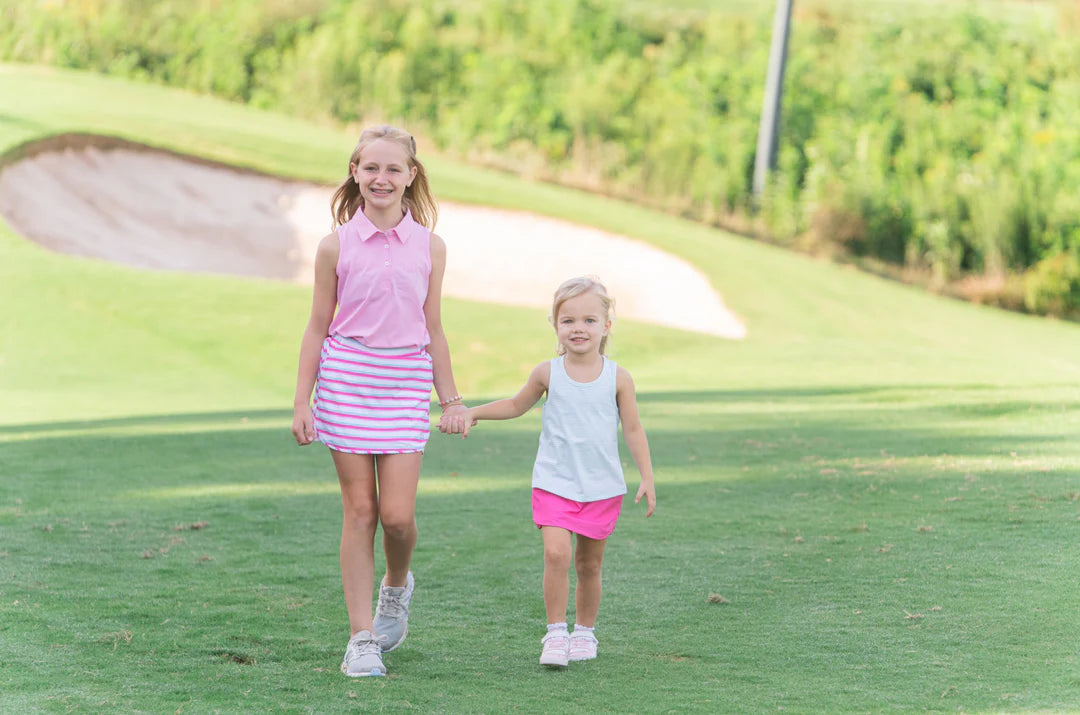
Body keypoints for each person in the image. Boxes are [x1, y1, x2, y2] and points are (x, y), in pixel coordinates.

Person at [291, 125, 468, 677]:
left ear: (412, 176)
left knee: (397, 517)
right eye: (371, 168)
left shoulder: (431, 247)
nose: (382, 178)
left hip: (404, 383)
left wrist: (452, 399)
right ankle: (362, 637)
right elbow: (317, 326)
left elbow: (432, 326)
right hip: (346, 381)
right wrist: (303, 400)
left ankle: (396, 587)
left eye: (394, 169)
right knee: (360, 511)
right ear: (355, 172)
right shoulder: (334, 246)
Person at [440, 276, 656, 667]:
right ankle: (556, 633)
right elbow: (514, 405)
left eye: (589, 320)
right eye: (568, 320)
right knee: (556, 554)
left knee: (589, 564)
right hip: (554, 482)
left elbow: (634, 429)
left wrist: (648, 477)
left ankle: (584, 633)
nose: (578, 328)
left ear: (606, 326)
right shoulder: (547, 373)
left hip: (602, 487)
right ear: (555, 325)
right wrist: (472, 412)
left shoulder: (618, 378)